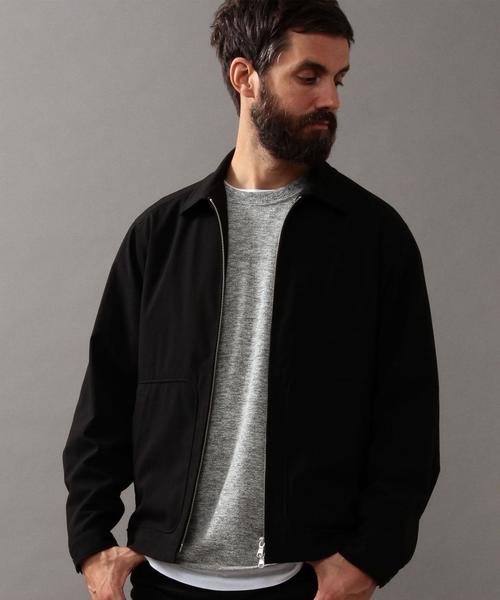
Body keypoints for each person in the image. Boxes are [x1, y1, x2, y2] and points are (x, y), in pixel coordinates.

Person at [62, 1, 440, 599]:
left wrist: (370, 558)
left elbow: (409, 422)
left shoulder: (373, 238)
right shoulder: (161, 234)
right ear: (246, 77)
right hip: (163, 581)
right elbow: (103, 402)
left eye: (338, 80)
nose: (331, 99)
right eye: (309, 76)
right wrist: (90, 544)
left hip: (305, 583)